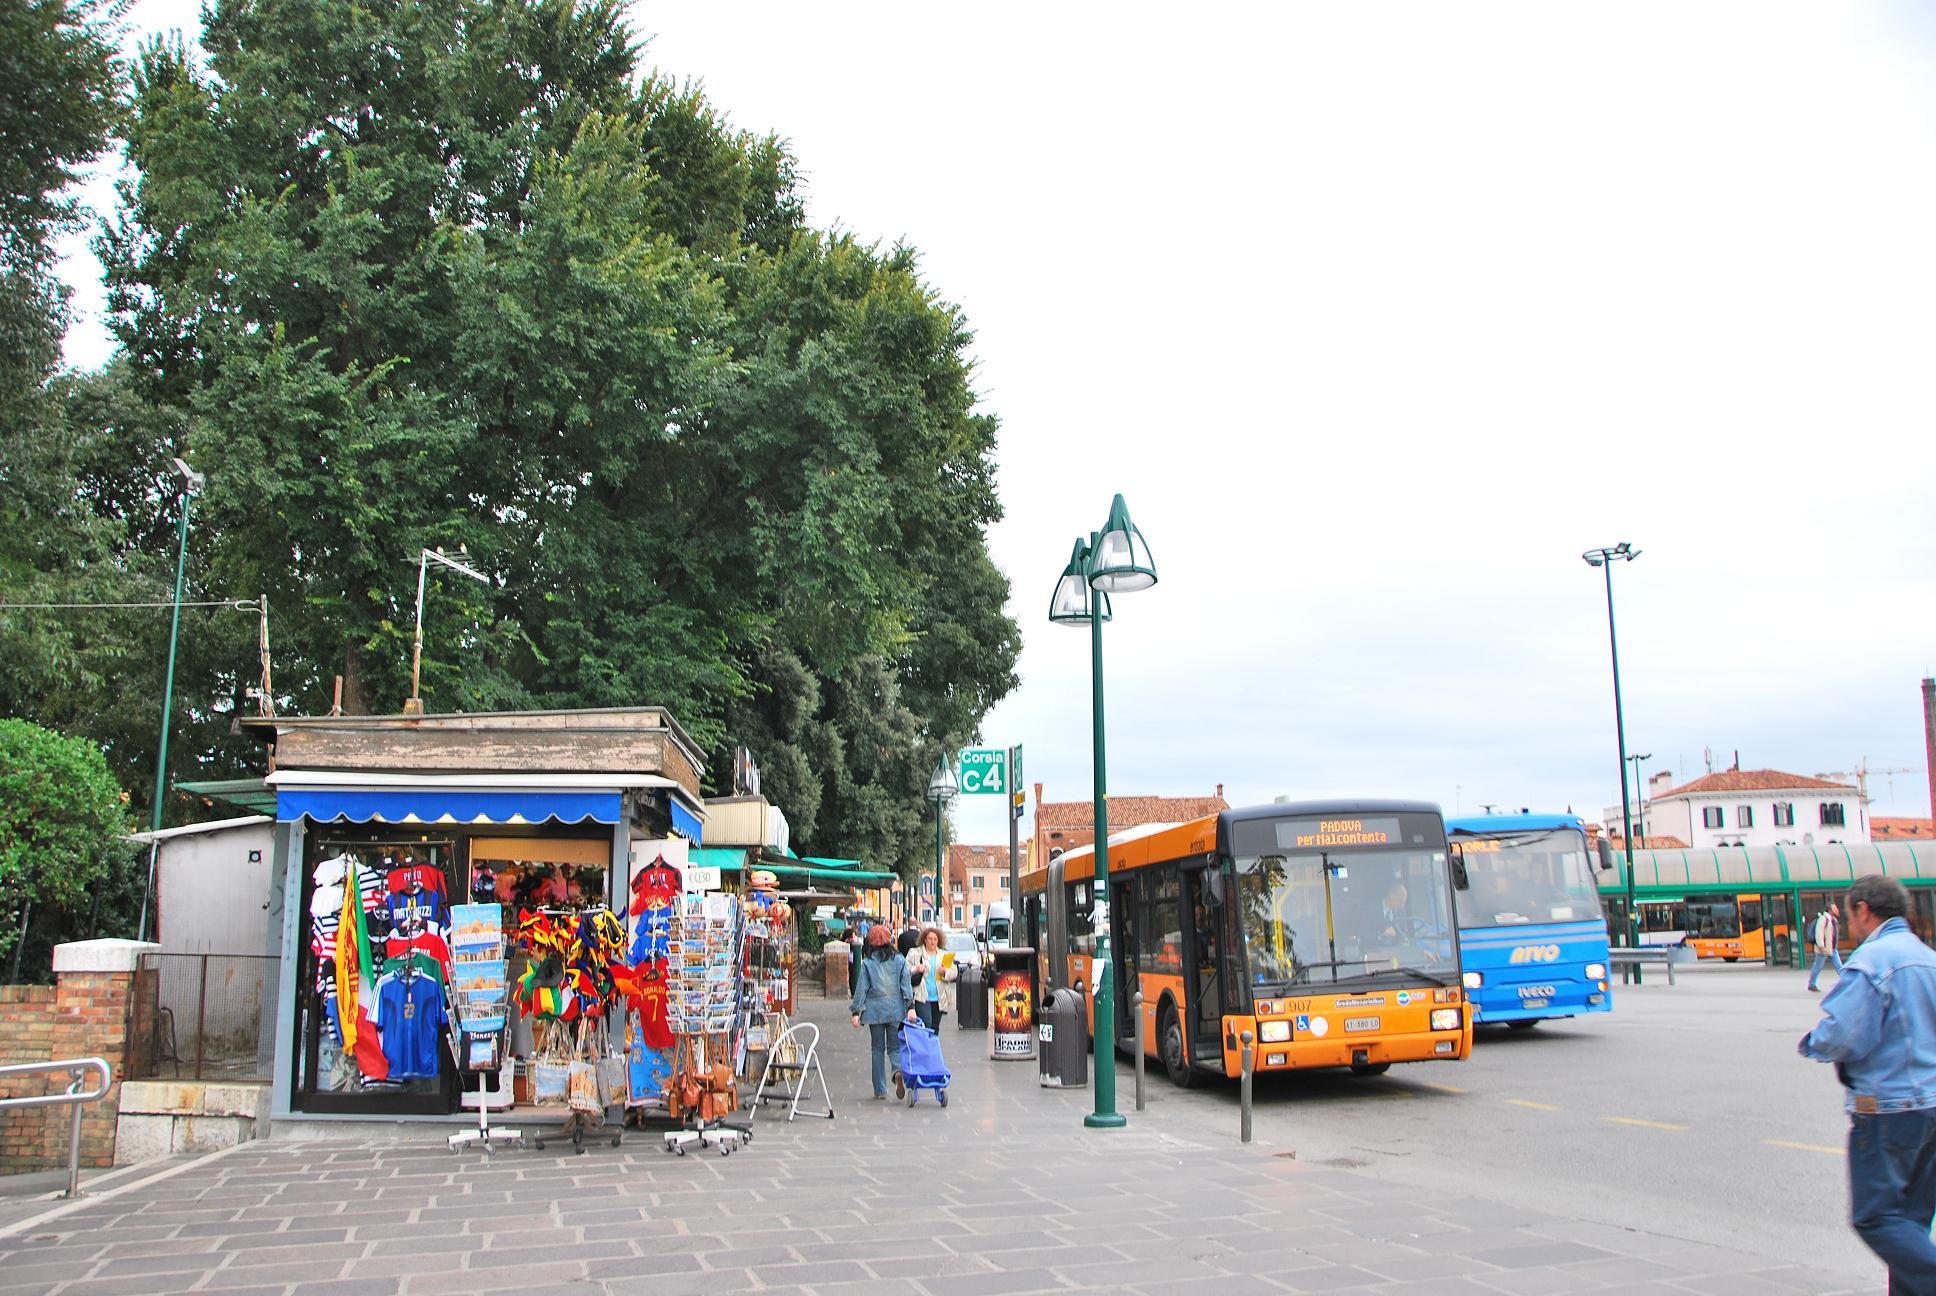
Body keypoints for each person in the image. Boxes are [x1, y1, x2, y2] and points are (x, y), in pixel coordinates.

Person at [1799, 876, 1936, 1291]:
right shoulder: (1928, 958)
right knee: (1910, 1222)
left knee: (1876, 1217)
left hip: (1889, 1110)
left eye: (1851, 915)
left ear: (1863, 910)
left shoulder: (1872, 961)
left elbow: (1843, 1034)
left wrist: (1812, 1043)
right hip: (1932, 1106)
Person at [849, 924, 917, 1100]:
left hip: (875, 1011)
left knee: (877, 1049)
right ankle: (897, 1071)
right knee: (895, 1047)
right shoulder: (899, 960)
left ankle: (880, 1090)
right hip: (896, 1009)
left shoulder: (868, 963)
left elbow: (861, 989)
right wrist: (910, 1007)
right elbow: (906, 985)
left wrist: (856, 1011)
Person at [907, 926, 957, 1031]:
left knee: (935, 1026)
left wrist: (945, 972)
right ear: (924, 940)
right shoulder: (915, 953)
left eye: (935, 939)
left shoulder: (944, 955)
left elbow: (954, 973)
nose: (932, 942)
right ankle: (925, 1041)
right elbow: (905, 969)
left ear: (939, 941)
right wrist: (916, 969)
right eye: (930, 939)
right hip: (922, 995)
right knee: (927, 1023)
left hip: (939, 996)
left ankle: (932, 1041)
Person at [1808, 902, 1845, 992]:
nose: (1837, 910)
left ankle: (1847, 983)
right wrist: (1821, 946)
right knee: (1818, 966)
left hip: (1832, 948)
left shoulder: (1833, 920)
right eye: (1834, 908)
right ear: (1829, 910)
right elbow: (1819, 933)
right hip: (1824, 948)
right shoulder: (1823, 919)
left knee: (1839, 966)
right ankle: (1811, 984)